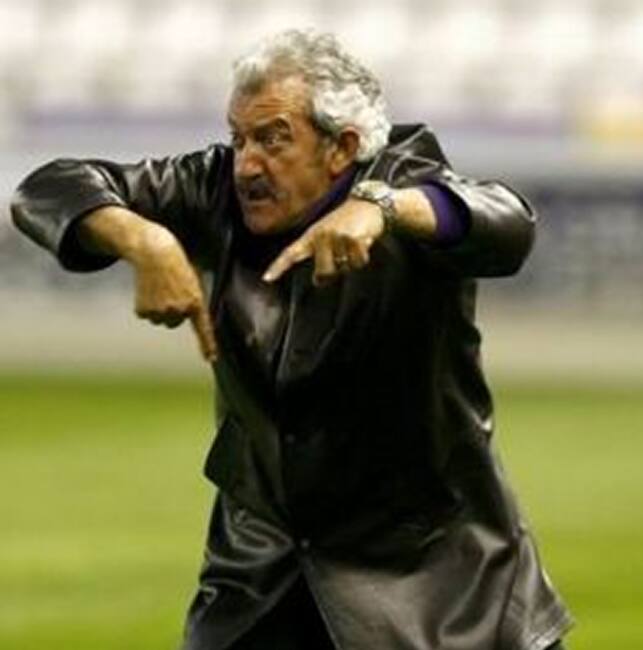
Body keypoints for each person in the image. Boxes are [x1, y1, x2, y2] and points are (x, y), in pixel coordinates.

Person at [11, 29, 572, 650]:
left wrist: (384, 209)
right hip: (262, 572)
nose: (247, 164)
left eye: (273, 139)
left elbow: (508, 222)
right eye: (239, 138)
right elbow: (47, 187)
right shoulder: (212, 187)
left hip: (437, 590)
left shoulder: (405, 177)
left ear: (342, 148)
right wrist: (144, 240)